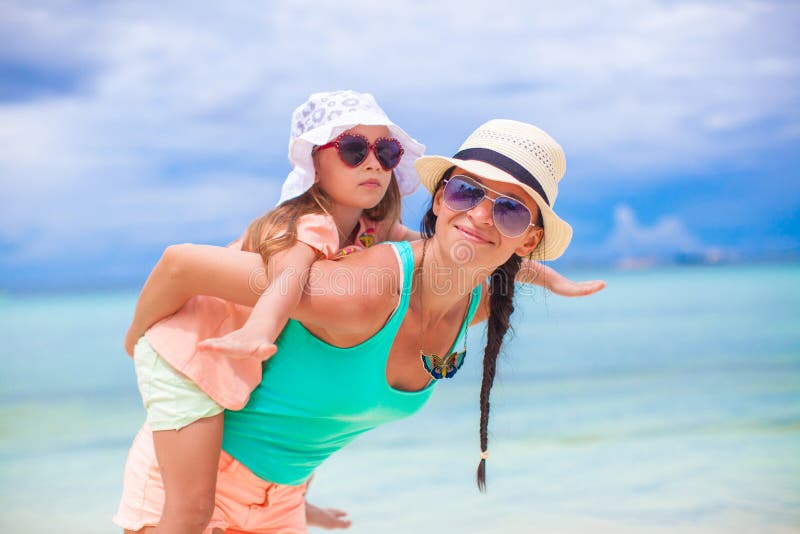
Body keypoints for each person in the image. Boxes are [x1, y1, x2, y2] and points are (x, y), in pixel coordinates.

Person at [115, 118, 587, 533]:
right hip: (193, 487)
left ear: (529, 238)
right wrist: (137, 341)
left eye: (509, 210)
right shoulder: (360, 291)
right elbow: (181, 265)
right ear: (441, 198)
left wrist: (551, 280)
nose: (480, 215)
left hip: (280, 503)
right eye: (467, 192)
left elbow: (484, 261)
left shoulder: (475, 303)